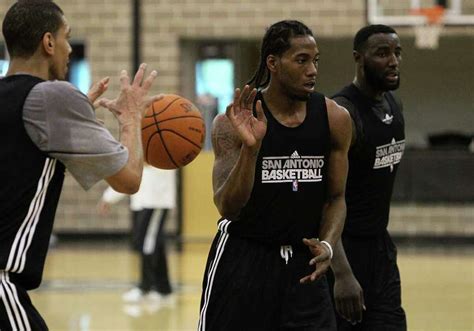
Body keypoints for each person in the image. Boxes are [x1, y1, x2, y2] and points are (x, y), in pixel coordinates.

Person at [0, 1, 160, 329]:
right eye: (66, 37)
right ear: (48, 43)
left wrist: (74, 117)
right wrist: (131, 119)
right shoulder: (53, 97)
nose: (69, 49)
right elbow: (128, 180)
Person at [198, 20, 352, 331]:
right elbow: (228, 207)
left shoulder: (335, 118)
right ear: (273, 63)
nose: (312, 70)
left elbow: (336, 199)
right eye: (301, 60)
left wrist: (329, 245)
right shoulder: (233, 122)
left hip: (303, 265)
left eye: (315, 60)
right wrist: (251, 150)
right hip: (244, 260)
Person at [328, 24, 407, 330]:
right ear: (358, 58)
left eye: (397, 53)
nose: (393, 61)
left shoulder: (393, 104)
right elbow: (325, 198)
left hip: (380, 250)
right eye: (382, 53)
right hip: (344, 250)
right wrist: (342, 272)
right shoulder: (342, 113)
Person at [97, 165, 176, 304]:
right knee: (155, 243)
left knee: (148, 243)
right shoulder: (139, 145)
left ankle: (145, 287)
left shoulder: (167, 147)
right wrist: (109, 197)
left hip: (156, 199)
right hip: (143, 200)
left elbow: (139, 166)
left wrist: (109, 197)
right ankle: (164, 289)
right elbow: (132, 171)